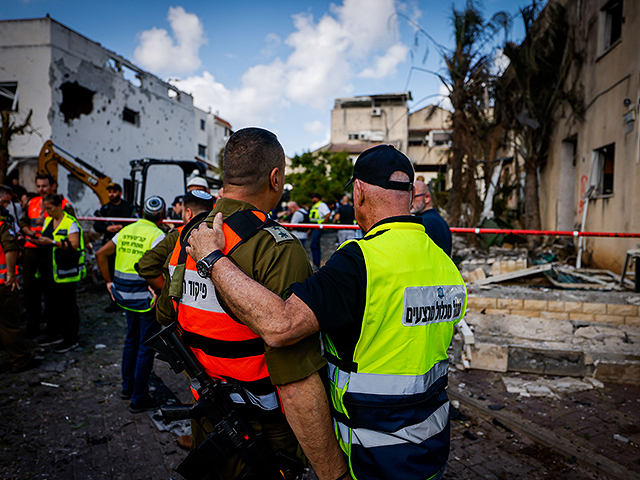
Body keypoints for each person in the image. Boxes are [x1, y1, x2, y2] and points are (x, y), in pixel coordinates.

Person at [187, 144, 467, 480]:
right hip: (431, 444)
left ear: (359, 192)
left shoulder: (360, 261)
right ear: (410, 195)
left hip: (372, 457)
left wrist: (212, 259)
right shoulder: (445, 264)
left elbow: (280, 325)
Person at [169, 128, 348, 480]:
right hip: (265, 433)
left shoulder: (190, 235)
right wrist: (333, 473)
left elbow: (168, 313)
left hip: (207, 413)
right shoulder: (277, 249)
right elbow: (296, 381)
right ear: (275, 177)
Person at [95, 196, 166, 413]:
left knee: (131, 340)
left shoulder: (127, 230)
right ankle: (139, 398)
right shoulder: (158, 235)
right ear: (162, 217)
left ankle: (127, 389)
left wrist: (109, 283)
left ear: (142, 213)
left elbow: (100, 253)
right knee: (146, 347)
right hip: (145, 300)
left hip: (124, 297)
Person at [20, 174, 75, 340]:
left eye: (44, 186)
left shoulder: (64, 204)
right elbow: (23, 222)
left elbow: (71, 228)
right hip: (32, 249)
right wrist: (28, 231)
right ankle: (33, 326)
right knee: (31, 291)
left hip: (51, 251)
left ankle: (56, 327)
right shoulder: (32, 202)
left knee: (52, 292)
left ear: (53, 186)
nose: (41, 190)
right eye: (38, 186)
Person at [33, 194, 85, 353]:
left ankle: (71, 338)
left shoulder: (70, 223)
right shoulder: (48, 221)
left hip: (65, 271)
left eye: (49, 208)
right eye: (45, 208)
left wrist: (53, 242)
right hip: (49, 270)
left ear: (58, 206)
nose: (46, 211)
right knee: (51, 304)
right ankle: (54, 333)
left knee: (67, 305)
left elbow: (74, 245)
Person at [0, 212, 38, 372]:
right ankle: (20, 361)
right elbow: (11, 249)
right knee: (10, 325)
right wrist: (11, 274)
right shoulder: (2, 227)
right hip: (3, 284)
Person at [94, 183, 137, 312]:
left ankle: (128, 300)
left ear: (120, 193)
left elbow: (136, 222)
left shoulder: (128, 207)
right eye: (110, 192)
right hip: (110, 245)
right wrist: (108, 228)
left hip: (127, 244)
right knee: (112, 274)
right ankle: (114, 301)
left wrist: (123, 228)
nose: (111, 194)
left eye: (114, 192)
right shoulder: (105, 209)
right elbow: (97, 225)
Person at [411, 180, 452, 257]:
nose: (410, 201)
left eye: (414, 197)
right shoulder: (439, 220)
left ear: (427, 198)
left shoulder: (423, 222)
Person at [308, 192, 330, 270]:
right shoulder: (315, 206)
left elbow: (328, 214)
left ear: (317, 198)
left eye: (313, 198)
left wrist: (322, 225)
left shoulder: (321, 205)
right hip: (314, 227)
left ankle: (316, 264)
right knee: (314, 245)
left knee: (314, 245)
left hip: (318, 227)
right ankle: (316, 263)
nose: (312, 199)